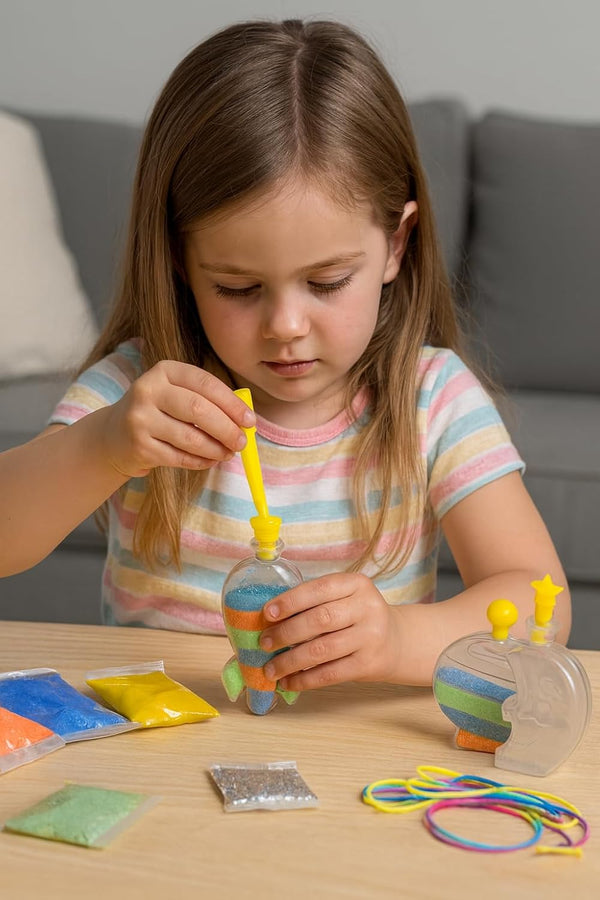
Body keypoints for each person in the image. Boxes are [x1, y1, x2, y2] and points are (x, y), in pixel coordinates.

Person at [0, 19, 569, 689]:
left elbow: (539, 606)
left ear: (396, 244)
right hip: (159, 750)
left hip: (347, 757)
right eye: (237, 287)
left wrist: (399, 639)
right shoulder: (141, 391)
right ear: (181, 261)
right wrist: (101, 445)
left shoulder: (432, 399)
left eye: (327, 282)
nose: (286, 325)